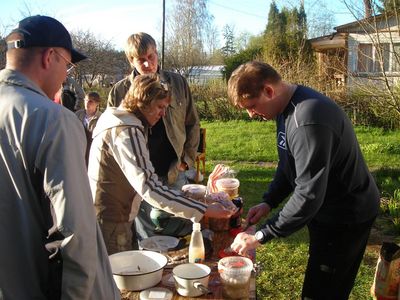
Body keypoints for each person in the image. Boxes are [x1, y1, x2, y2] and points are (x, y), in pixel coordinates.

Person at [228, 61, 380, 300]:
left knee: (323, 291)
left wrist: (261, 235)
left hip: (346, 216)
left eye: (252, 106)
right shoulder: (284, 108)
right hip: (326, 209)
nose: (250, 114)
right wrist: (269, 201)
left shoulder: (307, 119)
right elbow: (289, 164)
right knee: (320, 279)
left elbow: (308, 195)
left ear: (269, 90)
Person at [0, 15, 120, 299]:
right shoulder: (53, 120)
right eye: (67, 65)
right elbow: (73, 235)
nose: (66, 75)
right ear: (48, 57)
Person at [89, 73, 225, 254]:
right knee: (117, 278)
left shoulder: (119, 121)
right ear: (142, 102)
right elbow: (149, 187)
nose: (163, 114)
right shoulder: (127, 130)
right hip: (111, 220)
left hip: (110, 216)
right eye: (160, 107)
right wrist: (204, 209)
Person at [108, 32, 200, 239]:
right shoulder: (119, 91)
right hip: (139, 172)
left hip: (174, 168)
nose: (148, 64)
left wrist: (186, 160)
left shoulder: (178, 83)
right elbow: (113, 135)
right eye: (141, 60)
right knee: (146, 233)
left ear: (157, 54)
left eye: (152, 57)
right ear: (131, 60)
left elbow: (192, 123)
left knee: (179, 225)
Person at [75, 91, 102, 165]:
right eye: (86, 100)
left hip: (93, 151)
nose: (87, 103)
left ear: (97, 103)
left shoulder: (101, 118)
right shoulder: (77, 114)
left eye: (90, 101)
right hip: (78, 149)